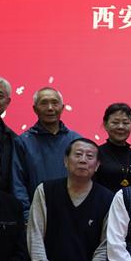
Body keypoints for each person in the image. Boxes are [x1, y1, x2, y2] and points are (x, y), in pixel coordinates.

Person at [12, 87, 83, 219]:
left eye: (55, 103)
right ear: (35, 109)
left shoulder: (77, 141)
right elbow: (18, 183)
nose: (50, 108)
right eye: (44, 103)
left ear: (62, 108)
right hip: (36, 216)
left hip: (73, 214)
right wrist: (26, 216)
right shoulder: (23, 142)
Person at [93, 103, 131, 194]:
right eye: (115, 122)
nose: (120, 127)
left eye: (125, 123)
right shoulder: (95, 154)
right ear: (105, 125)